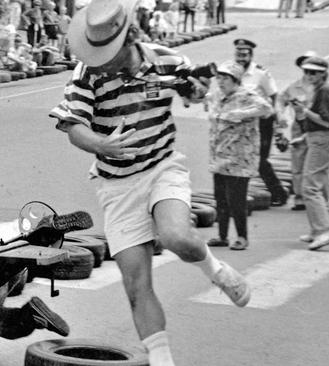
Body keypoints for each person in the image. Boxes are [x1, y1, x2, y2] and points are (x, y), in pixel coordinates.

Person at [50, 0, 251, 364]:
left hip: (162, 168)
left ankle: (218, 272)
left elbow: (197, 91)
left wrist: (196, 88)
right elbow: (73, 126)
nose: (101, 60)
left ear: (129, 39)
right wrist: (101, 143)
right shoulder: (85, 75)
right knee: (135, 287)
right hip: (117, 185)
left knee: (178, 238)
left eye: (108, 52)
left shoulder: (166, 60)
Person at [206, 61, 274, 250]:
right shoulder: (219, 96)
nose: (220, 82)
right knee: (220, 199)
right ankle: (222, 236)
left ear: (235, 80)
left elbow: (267, 109)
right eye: (219, 78)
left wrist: (241, 114)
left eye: (225, 78)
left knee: (236, 200)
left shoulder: (246, 95)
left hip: (239, 159)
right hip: (219, 156)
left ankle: (242, 237)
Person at [233, 39, 289, 207]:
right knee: (241, 158)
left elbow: (274, 97)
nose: (240, 58)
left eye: (244, 55)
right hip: (242, 122)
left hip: (262, 122)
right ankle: (238, 195)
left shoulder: (261, 74)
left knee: (259, 160)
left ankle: (279, 193)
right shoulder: (232, 72)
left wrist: (278, 126)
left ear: (251, 55)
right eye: (238, 54)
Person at [292, 56, 329, 251]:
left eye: (313, 72)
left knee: (310, 187)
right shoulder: (319, 90)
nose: (309, 75)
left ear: (323, 73)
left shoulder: (325, 91)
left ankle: (324, 230)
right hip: (317, 138)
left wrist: (304, 111)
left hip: (323, 139)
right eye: (306, 72)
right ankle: (316, 229)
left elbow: (327, 121)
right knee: (314, 184)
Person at [275, 51, 317, 211]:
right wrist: (280, 116)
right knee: (298, 164)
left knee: (317, 166)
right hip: (299, 128)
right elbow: (280, 100)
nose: (309, 72)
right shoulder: (294, 87)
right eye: (305, 67)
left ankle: (319, 198)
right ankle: (300, 198)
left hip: (318, 129)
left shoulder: (324, 89)